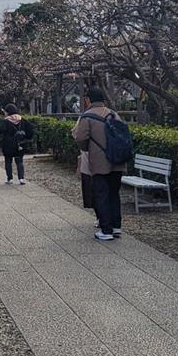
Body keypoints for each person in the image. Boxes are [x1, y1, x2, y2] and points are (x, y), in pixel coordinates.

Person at [72, 86, 126, 241]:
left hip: (99, 162)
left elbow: (81, 140)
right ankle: (116, 227)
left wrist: (89, 147)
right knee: (114, 194)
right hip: (117, 161)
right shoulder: (113, 114)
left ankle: (106, 229)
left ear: (88, 99)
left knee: (101, 194)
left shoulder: (87, 116)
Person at [0, 103, 35, 185]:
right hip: (20, 144)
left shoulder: (6, 121)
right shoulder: (22, 120)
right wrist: (26, 138)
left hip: (8, 144)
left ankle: (10, 179)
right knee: (19, 161)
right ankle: (21, 178)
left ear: (8, 112)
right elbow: (31, 130)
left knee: (8, 161)